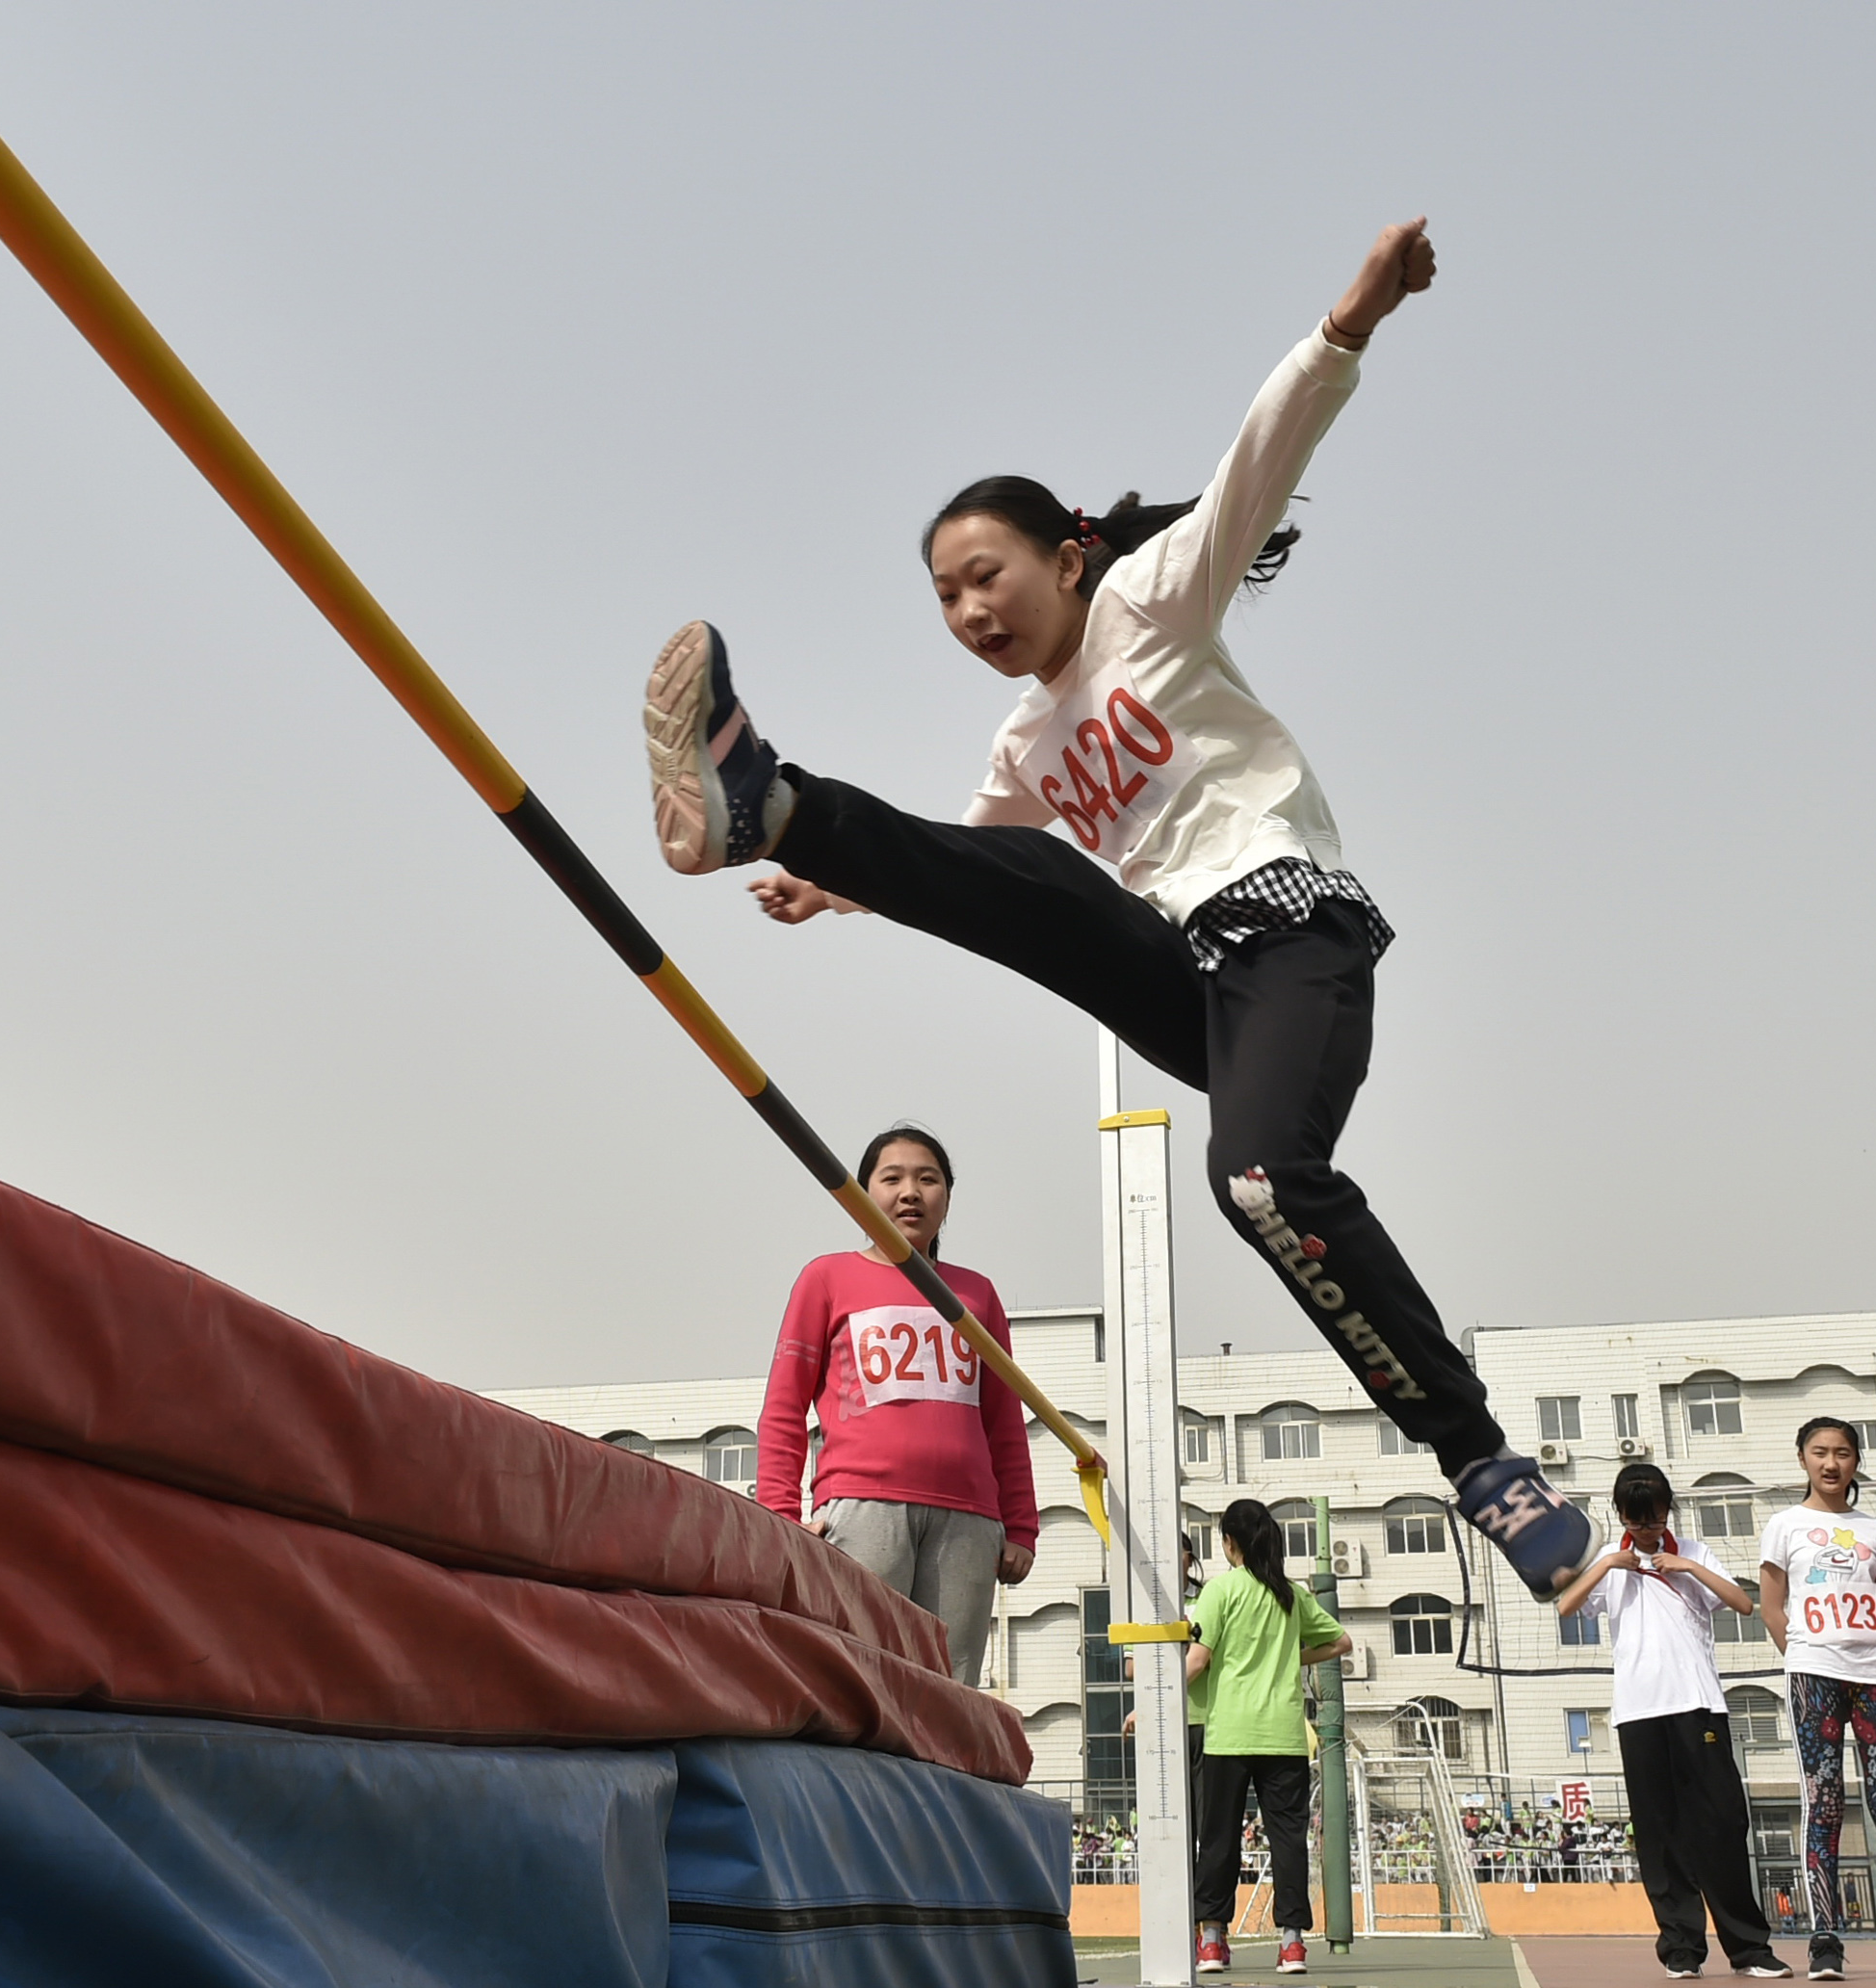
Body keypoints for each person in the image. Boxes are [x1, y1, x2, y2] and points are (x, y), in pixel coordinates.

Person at [637, 217, 1595, 1600]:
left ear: (1067, 561)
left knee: (1258, 1179)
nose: (970, 611)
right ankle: (764, 803)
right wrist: (829, 880)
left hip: (1294, 936)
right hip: (1185, 981)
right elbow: (966, 873)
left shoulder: (1153, 601)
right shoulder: (1024, 746)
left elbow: (1259, 464)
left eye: (988, 577)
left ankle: (1487, 1466)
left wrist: (1349, 322)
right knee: (1022, 869)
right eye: (945, 597)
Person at [754, 1125, 1035, 1687]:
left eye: (928, 1179)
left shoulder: (976, 1293)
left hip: (969, 1521)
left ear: (947, 1199)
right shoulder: (827, 1278)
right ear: (862, 1195)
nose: (911, 1192)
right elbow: (784, 1410)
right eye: (893, 1178)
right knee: (860, 1677)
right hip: (862, 1506)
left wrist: (1021, 1525)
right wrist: (778, 1515)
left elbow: (1003, 1417)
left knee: (950, 1688)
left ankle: (941, 1779)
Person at [1554, 1462, 1793, 1979]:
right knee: (1660, 1834)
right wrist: (1611, 1563)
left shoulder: (1694, 1551)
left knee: (1722, 1825)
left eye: (1656, 1515)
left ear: (1668, 1510)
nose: (1648, 1526)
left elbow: (1743, 1603)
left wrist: (1687, 1568)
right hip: (1639, 1712)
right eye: (1637, 1518)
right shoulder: (1610, 1561)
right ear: (1621, 1514)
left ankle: (1749, 1947)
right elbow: (1567, 1606)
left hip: (1699, 1704)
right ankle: (1681, 1947)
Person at [1759, 1418, 1876, 1983]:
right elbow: (1771, 1604)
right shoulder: (1784, 1525)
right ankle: (1825, 1941)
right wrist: (1806, 1654)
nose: (1832, 1463)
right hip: (1814, 1676)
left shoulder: (1875, 1529)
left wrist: (1866, 1655)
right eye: (1821, 1452)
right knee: (1825, 1805)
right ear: (1802, 1459)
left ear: (1855, 1461)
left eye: (1843, 1452)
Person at [1186, 1499, 1348, 1976]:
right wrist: (1288, 1659)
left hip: (1228, 1736)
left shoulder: (1221, 1591)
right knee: (1288, 1842)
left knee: (1218, 1841)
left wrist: (1152, 1702)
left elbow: (1197, 1660)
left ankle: (1212, 1941)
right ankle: (1293, 1944)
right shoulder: (1291, 1594)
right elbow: (1341, 1642)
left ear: (1229, 1542)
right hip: (1283, 1737)